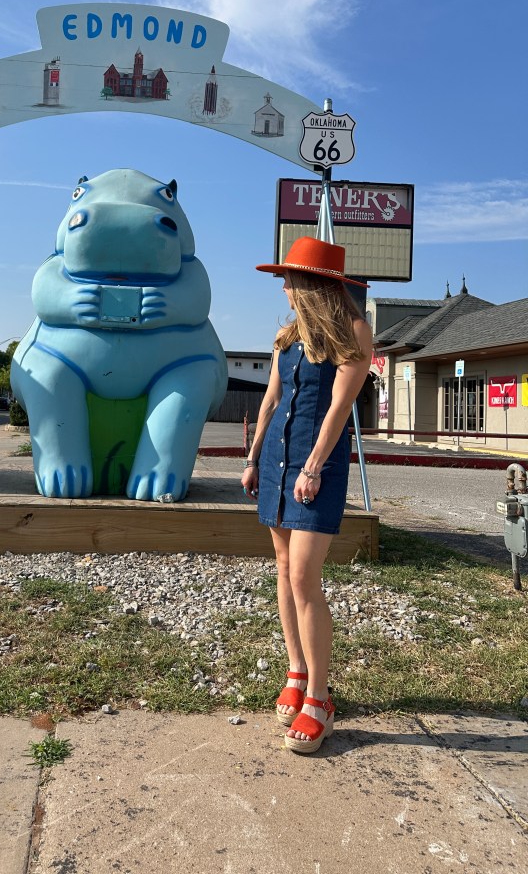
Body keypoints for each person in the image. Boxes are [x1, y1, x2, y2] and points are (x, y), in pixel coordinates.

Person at [241, 236, 372, 754]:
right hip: (276, 459)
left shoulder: (354, 330)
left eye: (291, 279)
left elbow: (341, 406)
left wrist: (314, 465)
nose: (286, 288)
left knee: (303, 576)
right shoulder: (286, 334)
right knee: (281, 566)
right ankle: (296, 671)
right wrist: (252, 458)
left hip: (318, 462)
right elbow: (272, 399)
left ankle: (319, 696)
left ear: (316, 284)